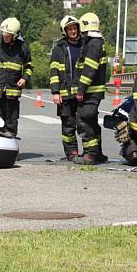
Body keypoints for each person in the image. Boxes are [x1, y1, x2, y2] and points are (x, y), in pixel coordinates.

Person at [75, 12, 109, 164]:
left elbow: (89, 69)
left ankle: (90, 154)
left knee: (85, 120)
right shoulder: (95, 42)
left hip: (90, 91)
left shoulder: (93, 44)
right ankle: (97, 153)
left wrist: (81, 89)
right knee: (92, 122)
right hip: (93, 90)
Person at [50, 15, 84, 161]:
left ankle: (88, 152)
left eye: (75, 28)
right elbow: (54, 71)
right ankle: (71, 152)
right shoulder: (59, 49)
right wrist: (55, 92)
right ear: (65, 31)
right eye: (70, 29)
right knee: (68, 124)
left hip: (82, 94)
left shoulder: (84, 46)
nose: (73, 31)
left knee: (84, 123)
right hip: (65, 94)